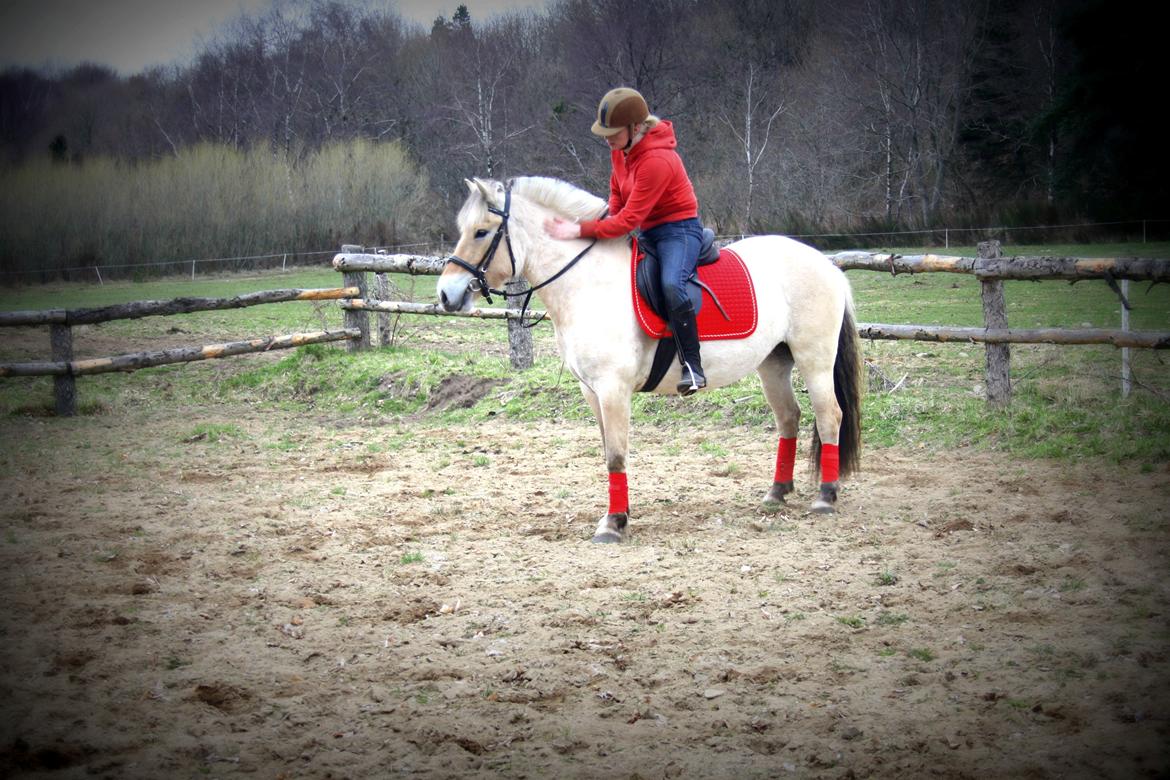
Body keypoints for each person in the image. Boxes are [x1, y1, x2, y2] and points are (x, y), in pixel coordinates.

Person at [544, 87, 706, 395]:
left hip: (678, 231)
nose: (607, 139)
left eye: (613, 132)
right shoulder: (621, 151)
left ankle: (693, 366)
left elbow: (629, 220)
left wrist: (580, 230)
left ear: (635, 128)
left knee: (672, 285)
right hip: (646, 232)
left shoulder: (658, 160)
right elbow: (618, 198)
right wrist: (604, 227)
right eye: (605, 133)